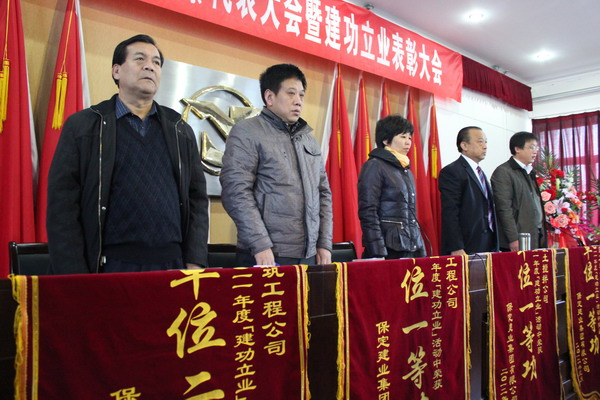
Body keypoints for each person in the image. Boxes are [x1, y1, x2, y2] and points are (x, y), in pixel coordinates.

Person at [47, 34, 208, 274]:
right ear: (116, 71)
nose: (149, 66)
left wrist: (195, 259)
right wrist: (74, 273)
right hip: (109, 264)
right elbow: (63, 204)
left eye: (156, 62)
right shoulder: (85, 126)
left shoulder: (179, 130)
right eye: (140, 59)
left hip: (172, 264)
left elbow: (197, 199)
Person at [220, 63, 333, 267]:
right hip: (266, 254)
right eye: (291, 93)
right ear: (270, 97)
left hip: (309, 255)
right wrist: (260, 244)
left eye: (301, 95)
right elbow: (236, 191)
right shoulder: (247, 131)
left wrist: (324, 243)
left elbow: (323, 193)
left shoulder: (309, 140)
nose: (298, 101)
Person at [357, 114, 426, 259]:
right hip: (388, 250)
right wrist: (377, 251)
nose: (408, 142)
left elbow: (410, 216)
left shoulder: (406, 169)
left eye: (409, 137)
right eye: (403, 137)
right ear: (386, 140)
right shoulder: (374, 166)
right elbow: (368, 212)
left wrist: (420, 249)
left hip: (410, 247)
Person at [438, 126, 498, 255]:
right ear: (464, 145)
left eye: (486, 142)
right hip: (467, 245)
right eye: (480, 142)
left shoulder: (480, 172)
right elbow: (450, 212)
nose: (485, 146)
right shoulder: (452, 171)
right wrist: (456, 247)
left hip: (488, 243)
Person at [491, 131, 547, 251]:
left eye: (536, 147)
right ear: (517, 149)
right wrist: (513, 238)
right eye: (531, 147)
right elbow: (504, 209)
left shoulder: (529, 171)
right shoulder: (504, 172)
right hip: (518, 238)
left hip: (534, 234)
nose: (535, 151)